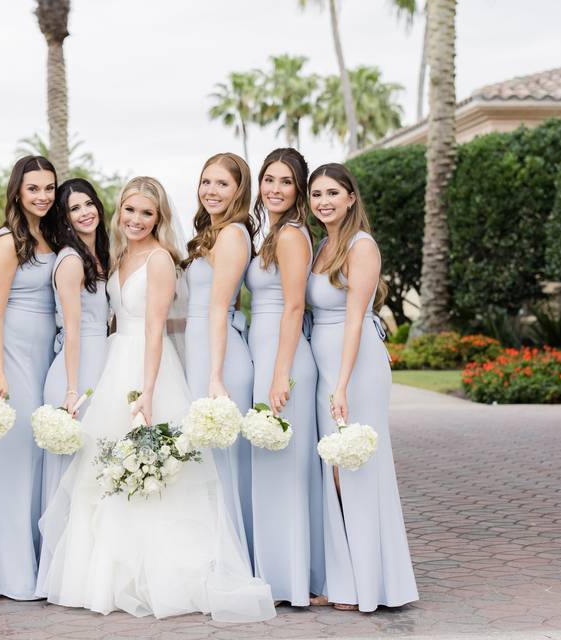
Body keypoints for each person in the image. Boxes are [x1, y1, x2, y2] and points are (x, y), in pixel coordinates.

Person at [36, 177, 274, 622]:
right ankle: (107, 575)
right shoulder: (119, 255)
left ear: (159, 217)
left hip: (149, 369)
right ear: (119, 212)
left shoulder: (161, 260)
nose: (136, 220)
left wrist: (146, 391)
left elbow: (154, 329)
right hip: (114, 362)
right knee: (105, 468)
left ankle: (163, 577)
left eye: (146, 213)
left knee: (156, 469)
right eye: (129, 210)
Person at [306, 162, 418, 612]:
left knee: (356, 467)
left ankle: (369, 583)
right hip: (325, 363)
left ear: (351, 197)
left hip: (356, 366)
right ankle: (342, 580)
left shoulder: (360, 245)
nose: (324, 201)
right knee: (334, 469)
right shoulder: (321, 246)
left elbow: (356, 316)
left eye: (333, 192)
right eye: (316, 194)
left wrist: (342, 383)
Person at [0, 156, 59, 599]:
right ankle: (4, 571)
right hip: (8, 355)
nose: (42, 196)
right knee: (11, 458)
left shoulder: (49, 235)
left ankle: (33, 561)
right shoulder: (6, 240)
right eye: (33, 188)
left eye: (49, 188)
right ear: (17, 191)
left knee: (34, 458)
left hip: (40, 355)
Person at [245, 148, 326, 606]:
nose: (274, 189)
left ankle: (293, 579)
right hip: (270, 356)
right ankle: (278, 572)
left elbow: (294, 306)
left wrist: (279, 375)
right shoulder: (271, 233)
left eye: (285, 181)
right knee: (274, 469)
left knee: (287, 470)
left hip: (286, 362)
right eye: (268, 179)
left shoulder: (292, 235)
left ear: (298, 190)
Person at [181, 152, 255, 562]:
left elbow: (219, 308)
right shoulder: (212, 233)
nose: (211, 190)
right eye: (206, 182)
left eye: (222, 184)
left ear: (239, 190)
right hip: (202, 349)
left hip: (220, 357)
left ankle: (231, 563)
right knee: (207, 459)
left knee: (221, 462)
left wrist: (214, 375)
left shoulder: (232, 235)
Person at [40, 178, 111, 515]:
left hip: (100, 361)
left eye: (88, 204)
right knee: (75, 473)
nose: (84, 213)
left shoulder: (100, 255)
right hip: (77, 371)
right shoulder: (70, 261)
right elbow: (72, 330)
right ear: (64, 219)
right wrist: (71, 390)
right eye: (74, 209)